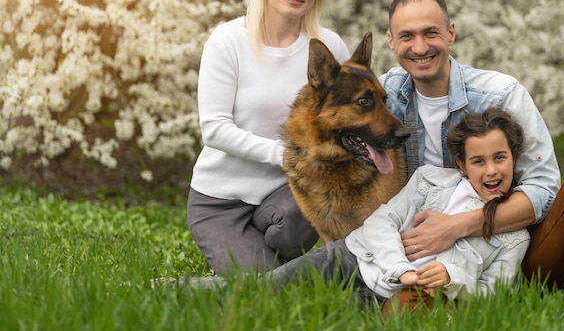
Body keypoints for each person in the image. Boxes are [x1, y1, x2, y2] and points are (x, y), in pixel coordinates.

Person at [381, 0, 564, 297]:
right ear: (391, 41)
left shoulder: (501, 93)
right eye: (406, 36)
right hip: (433, 264)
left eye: (430, 33)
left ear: (451, 33)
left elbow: (542, 191)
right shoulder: (383, 98)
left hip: (520, 253)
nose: (419, 47)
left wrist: (458, 225)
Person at [176, 109, 531, 313]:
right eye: (478, 161)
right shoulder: (431, 181)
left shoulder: (514, 235)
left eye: (500, 158)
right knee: (264, 290)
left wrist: (454, 279)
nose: (491, 171)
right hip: (348, 258)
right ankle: (173, 290)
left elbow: (492, 292)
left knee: (296, 313)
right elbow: (381, 222)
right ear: (461, 164)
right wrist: (401, 269)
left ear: (513, 159)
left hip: (382, 296)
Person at [187, 0, 351, 275]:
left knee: (296, 236)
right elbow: (214, 129)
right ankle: (182, 286)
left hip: (291, 194)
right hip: (221, 202)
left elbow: (345, 120)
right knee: (263, 293)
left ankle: (281, 256)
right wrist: (288, 156)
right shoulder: (228, 40)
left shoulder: (329, 46)